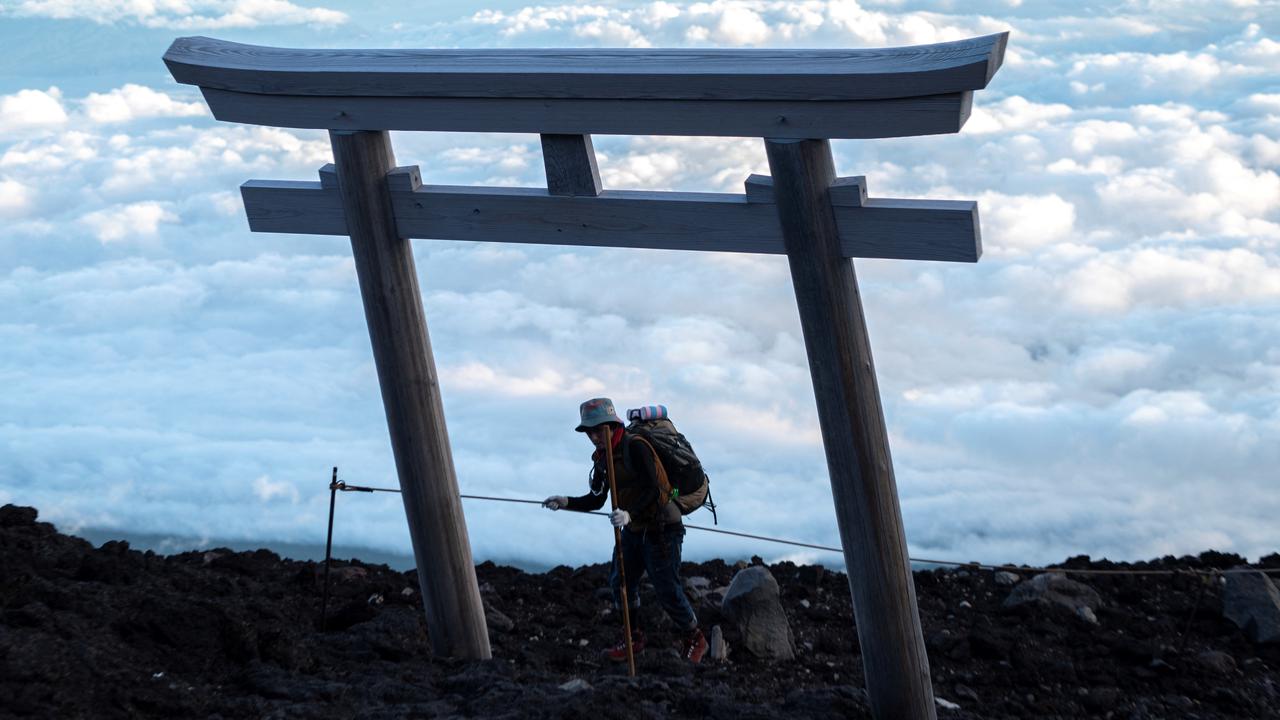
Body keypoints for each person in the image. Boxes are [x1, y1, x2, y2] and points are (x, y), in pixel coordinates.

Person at [543, 397, 708, 664]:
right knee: (621, 583)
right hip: (632, 529)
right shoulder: (602, 457)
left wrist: (630, 513)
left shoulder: (636, 446)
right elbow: (597, 499)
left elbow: (656, 491)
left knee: (666, 588)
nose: (595, 436)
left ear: (612, 424)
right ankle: (633, 638)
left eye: (599, 430)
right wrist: (566, 502)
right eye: (590, 432)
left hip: (662, 528)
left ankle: (695, 637)